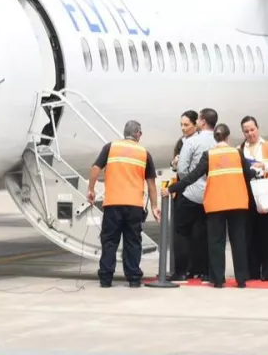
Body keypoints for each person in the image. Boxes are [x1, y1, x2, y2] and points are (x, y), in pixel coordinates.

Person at [167, 123, 254, 288]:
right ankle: (241, 279)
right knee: (238, 241)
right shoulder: (237, 153)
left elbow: (192, 176)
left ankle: (218, 279)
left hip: (216, 204)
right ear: (228, 137)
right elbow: (248, 174)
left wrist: (172, 188)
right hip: (237, 202)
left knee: (216, 242)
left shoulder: (209, 155)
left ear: (215, 138)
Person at [86, 120, 161, 288]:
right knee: (133, 242)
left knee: (109, 241)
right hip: (134, 205)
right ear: (138, 134)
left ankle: (106, 279)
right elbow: (151, 184)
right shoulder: (144, 153)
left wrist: (91, 189)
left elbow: (95, 168)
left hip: (113, 203)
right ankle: (133, 278)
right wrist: (155, 207)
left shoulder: (110, 147)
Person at [168, 108, 218, 281]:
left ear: (201, 122)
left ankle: (181, 271)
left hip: (191, 193)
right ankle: (204, 271)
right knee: (205, 232)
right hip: (211, 192)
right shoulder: (218, 141)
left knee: (182, 231)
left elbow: (182, 170)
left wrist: (186, 181)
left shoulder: (192, 142)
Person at [238, 115, 268, 281]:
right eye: (246, 131)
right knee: (250, 234)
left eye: (252, 130)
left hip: (267, 194)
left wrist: (264, 165)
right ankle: (252, 270)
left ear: (257, 129)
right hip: (249, 194)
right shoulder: (240, 149)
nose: (250, 134)